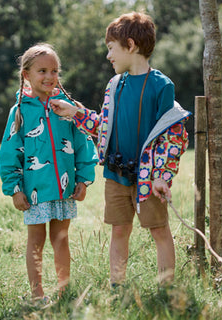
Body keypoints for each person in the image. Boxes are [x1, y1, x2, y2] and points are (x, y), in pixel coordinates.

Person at [50, 12, 191, 287]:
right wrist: (73, 111)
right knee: (119, 230)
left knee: (160, 230)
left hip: (149, 178)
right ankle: (117, 287)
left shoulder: (162, 86)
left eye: (111, 48)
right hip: (116, 175)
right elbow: (103, 126)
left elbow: (172, 137)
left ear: (130, 45)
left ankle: (166, 288)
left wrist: (162, 175)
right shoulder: (114, 85)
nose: (108, 56)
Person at [0, 43, 98, 303]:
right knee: (36, 241)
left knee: (61, 238)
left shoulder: (67, 109)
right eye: (42, 70)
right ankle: (37, 294)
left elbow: (84, 146)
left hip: (64, 191)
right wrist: (15, 189)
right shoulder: (19, 112)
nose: (50, 77)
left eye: (54, 71)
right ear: (26, 74)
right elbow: (9, 154)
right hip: (34, 192)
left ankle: (64, 291)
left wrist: (84, 180)